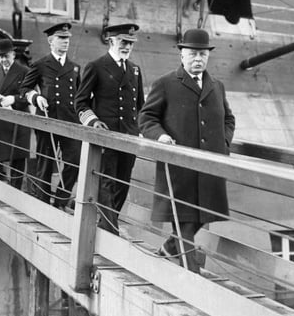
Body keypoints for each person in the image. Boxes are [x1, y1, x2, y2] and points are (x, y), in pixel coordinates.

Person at [138, 28, 235, 273]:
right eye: (192, 54)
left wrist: (222, 145)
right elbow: (146, 118)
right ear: (182, 55)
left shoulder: (217, 86)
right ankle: (191, 277)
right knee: (183, 223)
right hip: (179, 168)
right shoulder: (166, 83)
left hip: (209, 168)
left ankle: (169, 251)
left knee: (201, 218)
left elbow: (229, 119)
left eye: (203, 54)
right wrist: (160, 136)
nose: (198, 59)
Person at [74, 23, 145, 235]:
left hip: (129, 136)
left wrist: (140, 129)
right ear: (111, 40)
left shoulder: (134, 69)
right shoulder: (96, 66)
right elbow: (81, 102)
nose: (127, 47)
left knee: (123, 182)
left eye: (131, 43)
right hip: (106, 136)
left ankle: (108, 224)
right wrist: (94, 123)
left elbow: (140, 105)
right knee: (106, 181)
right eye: (124, 42)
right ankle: (110, 228)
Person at [19, 23, 81, 210]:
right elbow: (24, 89)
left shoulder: (75, 67)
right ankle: (43, 204)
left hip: (70, 122)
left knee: (75, 161)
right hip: (47, 121)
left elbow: (80, 96)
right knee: (45, 164)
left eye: (67, 38)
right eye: (61, 38)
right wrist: (36, 97)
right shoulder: (40, 65)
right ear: (50, 41)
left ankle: (61, 200)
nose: (65, 42)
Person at [0, 38, 31, 190]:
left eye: (6, 56)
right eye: (0, 56)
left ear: (13, 54)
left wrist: (12, 100)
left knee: (17, 161)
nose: (4, 59)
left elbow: (29, 95)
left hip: (18, 123)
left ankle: (15, 194)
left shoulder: (25, 72)